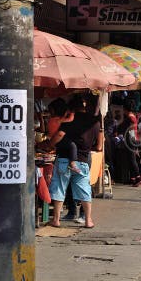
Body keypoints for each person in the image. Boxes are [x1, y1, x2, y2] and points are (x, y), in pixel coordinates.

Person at [49, 95, 103, 229]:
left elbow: (60, 135)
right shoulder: (95, 123)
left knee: (59, 188)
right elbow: (99, 145)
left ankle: (56, 220)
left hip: (63, 158)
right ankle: (88, 220)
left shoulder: (70, 121)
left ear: (71, 108)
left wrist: (51, 144)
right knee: (84, 189)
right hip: (83, 160)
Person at [118, 99, 141, 185]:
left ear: (125, 109)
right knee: (130, 159)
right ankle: (133, 178)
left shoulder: (130, 118)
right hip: (132, 140)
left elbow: (130, 130)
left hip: (131, 141)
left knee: (132, 160)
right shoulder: (132, 117)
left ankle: (138, 177)